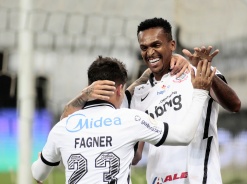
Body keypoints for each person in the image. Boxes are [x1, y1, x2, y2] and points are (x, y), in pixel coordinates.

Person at [60, 17, 241, 184]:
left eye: (156, 44)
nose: (150, 52)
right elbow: (135, 156)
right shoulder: (139, 94)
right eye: (144, 47)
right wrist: (85, 96)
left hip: (198, 178)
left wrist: (207, 72)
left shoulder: (196, 75)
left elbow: (234, 105)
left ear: (172, 45)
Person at [31, 55, 216, 184]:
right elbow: (184, 136)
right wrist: (200, 91)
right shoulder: (131, 119)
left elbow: (38, 173)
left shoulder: (62, 128)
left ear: (89, 87)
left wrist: (43, 159)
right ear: (120, 89)